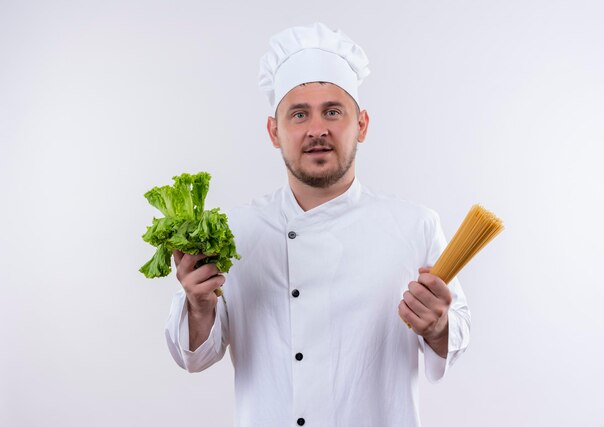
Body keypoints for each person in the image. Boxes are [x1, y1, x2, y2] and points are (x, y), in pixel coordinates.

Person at [165, 22, 470, 427]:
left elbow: (457, 337)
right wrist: (198, 303)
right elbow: (195, 356)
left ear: (361, 124)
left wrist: (439, 325)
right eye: (298, 114)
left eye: (332, 111)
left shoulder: (415, 226)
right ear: (274, 132)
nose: (317, 129)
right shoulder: (235, 232)